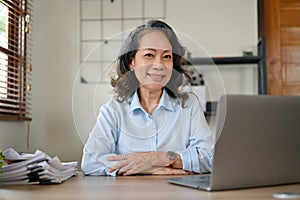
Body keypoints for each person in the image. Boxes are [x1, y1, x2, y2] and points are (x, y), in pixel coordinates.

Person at [81, 20, 214, 176]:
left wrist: (158, 158)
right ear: (132, 62)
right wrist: (150, 168)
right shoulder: (113, 110)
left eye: (167, 56)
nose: (159, 64)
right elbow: (91, 161)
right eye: (149, 55)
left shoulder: (189, 105)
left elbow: (210, 158)